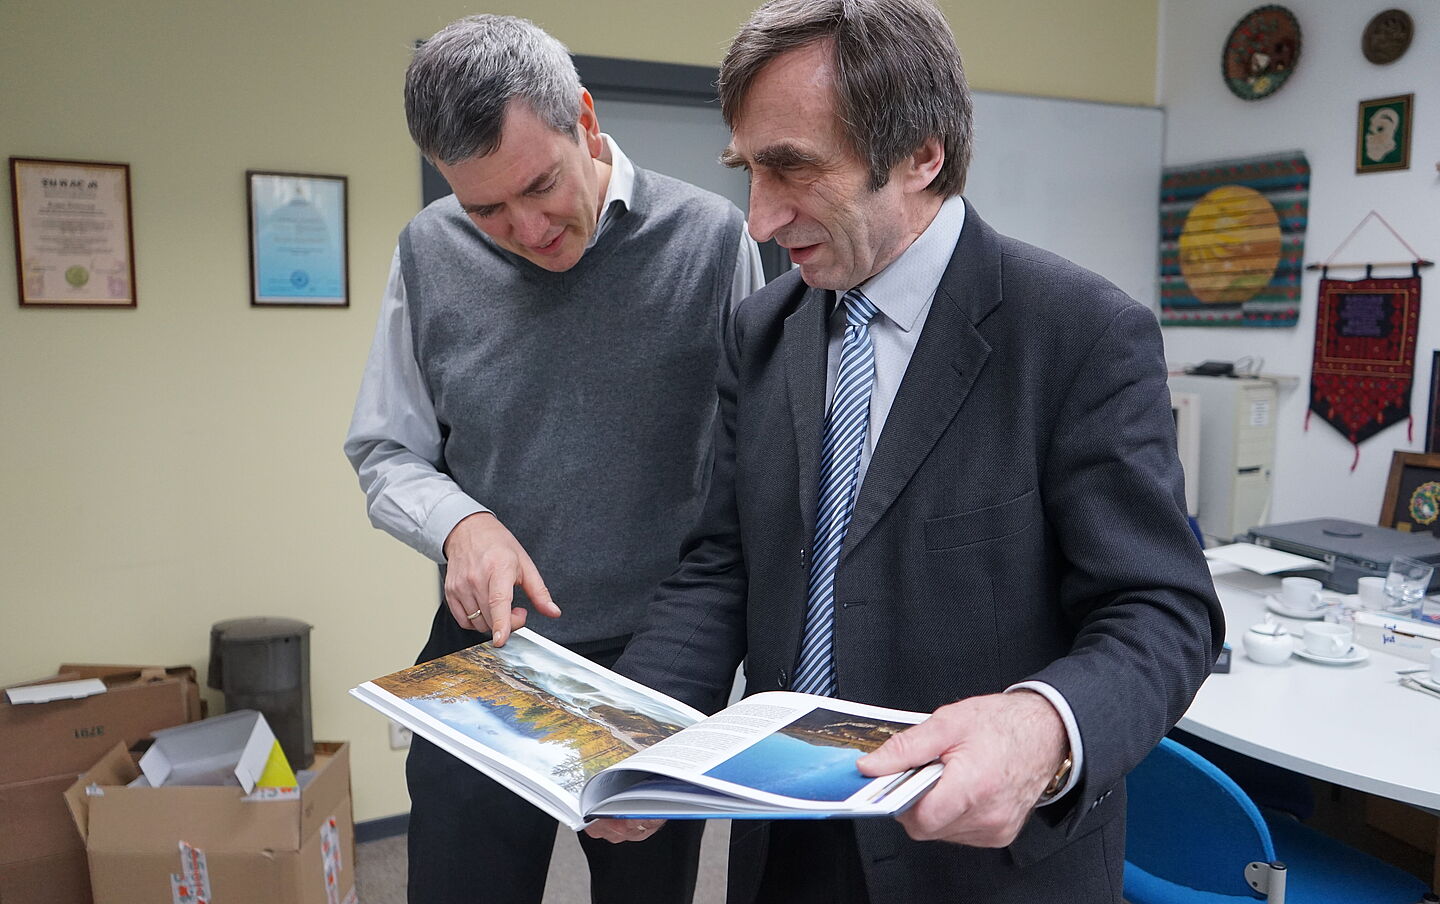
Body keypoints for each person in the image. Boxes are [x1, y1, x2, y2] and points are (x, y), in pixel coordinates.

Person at [585, 1, 1224, 901]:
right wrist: (631, 725)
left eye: (794, 170)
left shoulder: (1079, 333)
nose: (760, 221)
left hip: (975, 859)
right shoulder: (762, 332)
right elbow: (725, 565)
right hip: (778, 834)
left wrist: (1041, 730)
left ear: (923, 153)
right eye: (749, 172)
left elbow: (1163, 610)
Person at [343, 14, 762, 904]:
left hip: (653, 662)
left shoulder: (714, 241)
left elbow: (751, 468)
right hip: (488, 657)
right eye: (485, 207)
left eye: (540, 186)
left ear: (583, 116)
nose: (527, 229)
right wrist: (461, 523)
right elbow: (386, 447)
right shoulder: (429, 250)